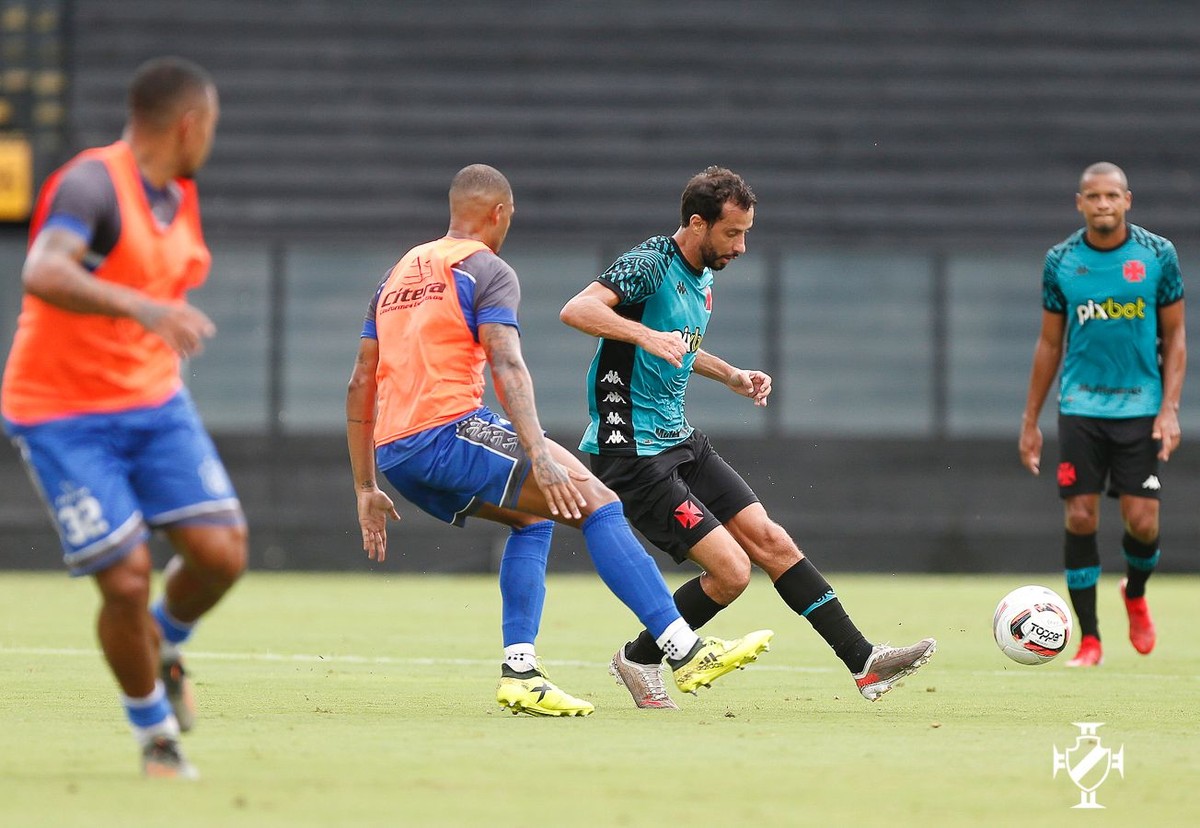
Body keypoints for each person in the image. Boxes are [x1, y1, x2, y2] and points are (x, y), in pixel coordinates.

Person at [346, 163, 773, 717]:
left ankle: (520, 672)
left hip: (394, 452)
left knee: (534, 518)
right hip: (447, 430)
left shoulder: (397, 275)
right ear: (500, 213)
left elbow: (361, 379)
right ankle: (683, 649)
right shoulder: (486, 269)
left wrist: (364, 487)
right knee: (599, 503)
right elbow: (507, 362)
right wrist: (537, 451)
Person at [559, 166, 936, 709]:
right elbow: (577, 309)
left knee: (773, 541)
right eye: (733, 233)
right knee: (733, 573)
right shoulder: (649, 264)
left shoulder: (703, 277)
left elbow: (679, 346)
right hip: (631, 449)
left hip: (680, 438)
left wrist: (730, 374)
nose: (741, 246)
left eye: (747, 233)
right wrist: (644, 333)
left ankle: (864, 662)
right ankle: (641, 656)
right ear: (697, 223)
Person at [1, 57, 244, 778]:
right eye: (212, 127)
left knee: (222, 553)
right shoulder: (91, 183)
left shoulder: (180, 196)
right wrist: (139, 306)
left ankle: (164, 643)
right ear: (188, 124)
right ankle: (155, 736)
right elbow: (42, 271)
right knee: (128, 578)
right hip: (61, 414)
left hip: (151, 401)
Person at [1019, 161, 1185, 667]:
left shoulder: (1158, 256)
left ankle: (1134, 592)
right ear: (1080, 202)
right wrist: (1031, 421)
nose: (1103, 204)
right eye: (1094, 197)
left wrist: (1170, 409)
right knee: (1081, 514)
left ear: (1127, 200)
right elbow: (1050, 344)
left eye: (1112, 196)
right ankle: (1089, 640)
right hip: (1082, 407)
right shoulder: (1062, 261)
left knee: (1143, 523)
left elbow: (1175, 335)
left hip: (1140, 407)